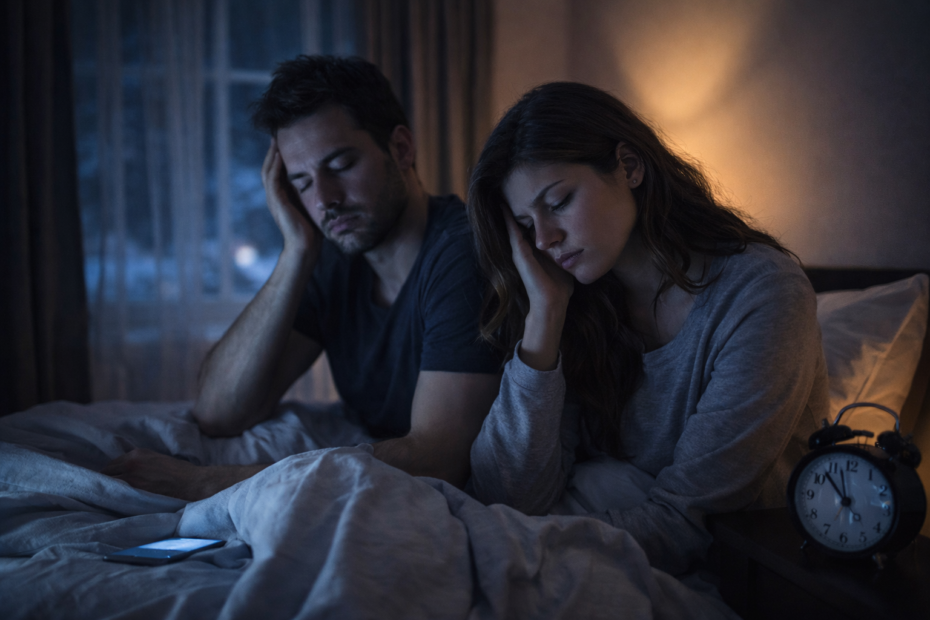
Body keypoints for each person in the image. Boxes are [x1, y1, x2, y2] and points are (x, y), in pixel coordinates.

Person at [465, 82, 829, 576]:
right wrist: (544, 316)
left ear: (630, 167)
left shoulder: (762, 294)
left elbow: (688, 520)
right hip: (594, 543)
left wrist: (524, 546)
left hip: (737, 574)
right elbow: (505, 492)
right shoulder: (580, 304)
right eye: (527, 225)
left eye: (559, 201)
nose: (546, 240)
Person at [103, 55, 501, 500]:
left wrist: (204, 483)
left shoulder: (462, 252)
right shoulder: (334, 259)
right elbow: (219, 413)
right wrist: (297, 251)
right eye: (302, 181)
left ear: (402, 149)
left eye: (340, 165)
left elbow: (439, 459)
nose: (325, 199)